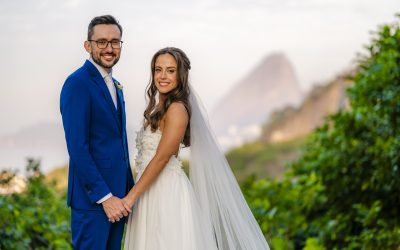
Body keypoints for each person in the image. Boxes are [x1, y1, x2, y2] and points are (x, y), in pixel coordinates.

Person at [123, 47, 270, 250]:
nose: (162, 76)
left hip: (166, 193)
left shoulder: (177, 109)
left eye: (170, 70)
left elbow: (162, 158)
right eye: (158, 69)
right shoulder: (160, 108)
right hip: (149, 190)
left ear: (181, 75)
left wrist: (130, 198)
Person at [60, 15, 134, 249]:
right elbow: (77, 148)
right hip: (94, 202)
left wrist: (127, 193)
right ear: (88, 45)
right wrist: (105, 198)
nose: (109, 48)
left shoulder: (115, 84)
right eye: (101, 42)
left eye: (115, 42)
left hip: (119, 198)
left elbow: (117, 144)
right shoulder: (77, 83)